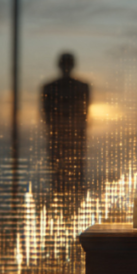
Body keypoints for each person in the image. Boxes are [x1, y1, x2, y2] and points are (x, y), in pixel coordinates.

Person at [41, 53, 90, 203]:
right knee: (65, 175)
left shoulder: (50, 87)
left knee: (67, 175)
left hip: (65, 138)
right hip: (66, 138)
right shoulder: (81, 87)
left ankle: (68, 203)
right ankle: (68, 204)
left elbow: (47, 115)